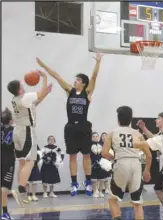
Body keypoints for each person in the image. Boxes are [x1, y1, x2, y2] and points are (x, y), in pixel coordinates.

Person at [36, 53, 103, 196]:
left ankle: (88, 182)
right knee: (72, 156)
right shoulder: (69, 91)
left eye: (78, 80)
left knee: (86, 155)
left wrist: (98, 61)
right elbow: (57, 76)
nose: (75, 82)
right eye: (75, 80)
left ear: (83, 83)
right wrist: (44, 66)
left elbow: (94, 77)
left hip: (84, 126)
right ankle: (74, 184)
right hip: (71, 127)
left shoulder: (88, 92)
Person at [8, 71, 52, 208]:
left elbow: (35, 103)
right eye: (22, 84)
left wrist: (46, 93)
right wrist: (44, 77)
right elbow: (40, 92)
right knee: (31, 161)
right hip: (27, 131)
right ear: (20, 89)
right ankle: (21, 190)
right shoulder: (24, 97)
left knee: (22, 162)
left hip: (17, 131)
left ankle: (21, 192)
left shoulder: (16, 99)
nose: (24, 85)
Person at [102, 106, 152, 220]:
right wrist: (147, 170)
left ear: (118, 119)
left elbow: (104, 153)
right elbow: (149, 155)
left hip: (121, 163)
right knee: (137, 201)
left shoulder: (112, 133)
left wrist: (114, 157)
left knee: (113, 198)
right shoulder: (138, 134)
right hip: (136, 164)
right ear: (131, 119)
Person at [136, 113, 163, 209]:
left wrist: (130, 143)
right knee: (158, 189)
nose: (155, 120)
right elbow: (153, 137)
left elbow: (150, 141)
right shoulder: (162, 133)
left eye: (158, 118)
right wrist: (143, 128)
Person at [1, 108, 15, 220]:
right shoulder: (14, 130)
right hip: (8, 161)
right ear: (10, 121)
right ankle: (5, 213)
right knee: (4, 188)